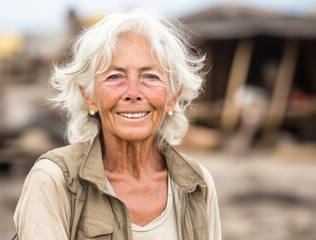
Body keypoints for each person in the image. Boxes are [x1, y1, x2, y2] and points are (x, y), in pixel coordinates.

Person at [13, 9, 221, 240]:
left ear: (173, 96)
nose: (133, 93)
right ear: (89, 96)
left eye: (150, 77)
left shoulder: (197, 184)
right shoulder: (54, 180)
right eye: (114, 77)